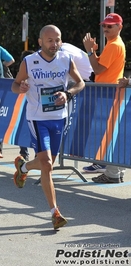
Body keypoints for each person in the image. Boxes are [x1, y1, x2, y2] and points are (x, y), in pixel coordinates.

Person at [11, 25, 85, 230]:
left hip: (59, 117)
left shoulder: (66, 59)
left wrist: (68, 94)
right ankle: (55, 212)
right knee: (47, 165)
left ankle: (23, 167)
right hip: (37, 118)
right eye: (50, 40)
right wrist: (22, 87)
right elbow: (14, 85)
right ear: (40, 42)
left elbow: (80, 83)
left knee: (47, 163)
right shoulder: (29, 61)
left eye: (57, 40)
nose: (54, 44)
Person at [82, 13, 126, 183]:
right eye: (104, 26)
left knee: (110, 133)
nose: (106, 29)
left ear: (119, 27)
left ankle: (112, 172)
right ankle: (113, 171)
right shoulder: (113, 44)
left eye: (110, 26)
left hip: (110, 94)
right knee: (111, 132)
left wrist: (90, 51)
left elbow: (98, 70)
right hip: (109, 93)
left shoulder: (115, 45)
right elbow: (101, 68)